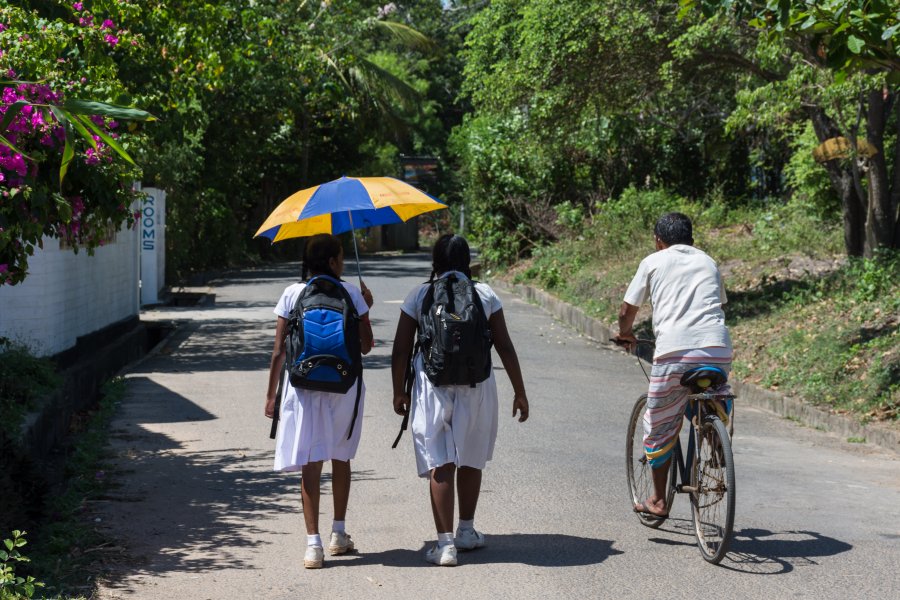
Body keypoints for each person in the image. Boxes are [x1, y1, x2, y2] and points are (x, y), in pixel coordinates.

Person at [391, 233, 529, 567]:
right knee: (471, 455)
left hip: (432, 385)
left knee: (441, 460)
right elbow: (505, 345)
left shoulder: (420, 295)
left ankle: (445, 545)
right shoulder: (484, 294)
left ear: (434, 262)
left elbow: (400, 348)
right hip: (476, 384)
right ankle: (466, 530)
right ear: (468, 261)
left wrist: (399, 391)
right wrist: (520, 391)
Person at [264, 233, 374, 569]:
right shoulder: (351, 293)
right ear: (331, 262)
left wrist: (271, 395)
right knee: (341, 456)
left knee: (312, 461)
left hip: (304, 387)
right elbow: (367, 346)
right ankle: (338, 534)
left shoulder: (292, 293)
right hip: (345, 386)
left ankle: (313, 545)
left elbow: (280, 349)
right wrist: (365, 304)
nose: (342, 261)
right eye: (340, 257)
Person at [615, 212, 732, 519]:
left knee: (659, 425)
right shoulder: (708, 261)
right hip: (717, 348)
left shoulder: (653, 261)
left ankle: (657, 501)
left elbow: (627, 309)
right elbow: (718, 304)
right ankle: (715, 434)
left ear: (658, 240)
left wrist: (626, 334)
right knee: (710, 394)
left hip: (674, 353)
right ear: (691, 239)